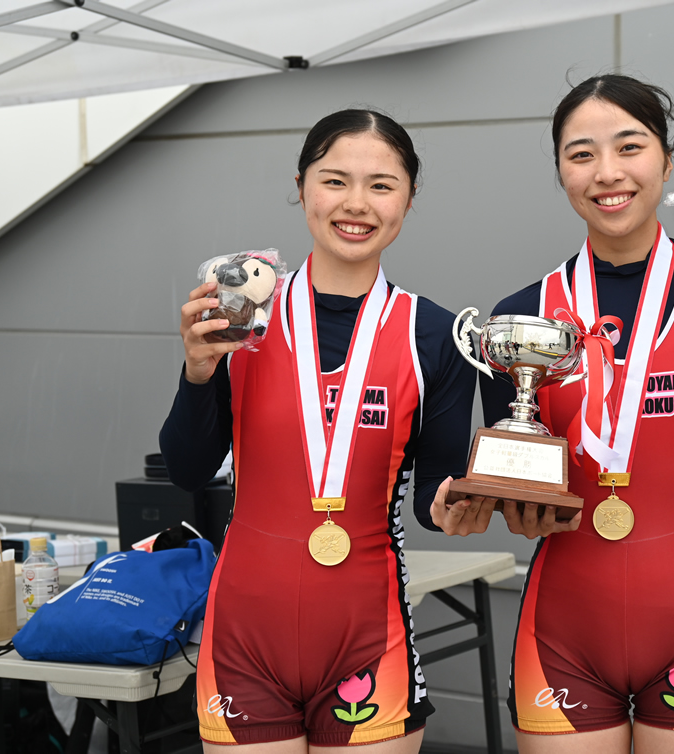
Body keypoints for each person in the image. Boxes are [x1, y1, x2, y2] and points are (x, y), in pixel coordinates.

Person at [469, 75, 674, 753]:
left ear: (667, 163)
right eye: (581, 153)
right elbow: (520, 485)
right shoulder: (524, 317)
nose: (607, 172)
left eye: (629, 146)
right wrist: (509, 507)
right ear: (561, 169)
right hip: (562, 634)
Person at [159, 109, 477, 752]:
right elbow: (190, 471)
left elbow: (432, 504)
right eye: (335, 180)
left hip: (368, 635)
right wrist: (197, 370)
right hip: (245, 635)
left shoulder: (435, 335)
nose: (356, 204)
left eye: (382, 185)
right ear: (302, 186)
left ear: (409, 200)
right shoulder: (243, 314)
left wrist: (465, 501)